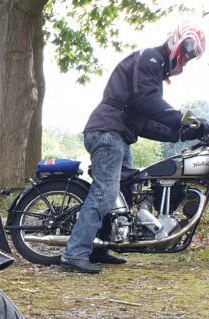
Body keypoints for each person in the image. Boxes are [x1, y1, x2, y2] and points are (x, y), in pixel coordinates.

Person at [63, 22, 209, 273]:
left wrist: (182, 133)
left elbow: (147, 122)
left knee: (125, 191)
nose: (184, 63)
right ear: (176, 42)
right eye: (185, 56)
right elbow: (148, 101)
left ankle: (99, 246)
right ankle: (74, 252)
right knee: (106, 193)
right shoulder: (150, 58)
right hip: (107, 133)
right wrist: (184, 119)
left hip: (118, 135)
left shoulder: (154, 70)